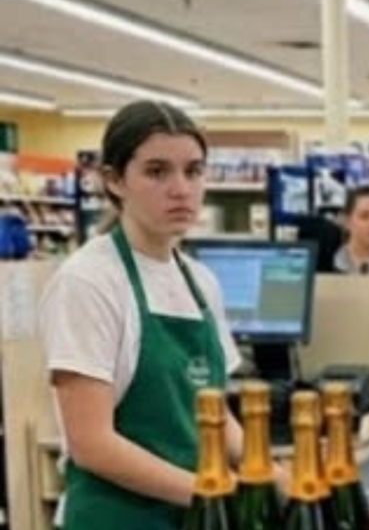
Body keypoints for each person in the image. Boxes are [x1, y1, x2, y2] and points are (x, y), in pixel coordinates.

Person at [37, 100, 248, 529]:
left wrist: (282, 482)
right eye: (157, 171)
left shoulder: (200, 281)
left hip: (191, 516)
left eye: (193, 171)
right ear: (114, 180)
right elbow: (91, 443)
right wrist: (213, 493)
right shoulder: (88, 281)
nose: (181, 189)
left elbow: (217, 419)